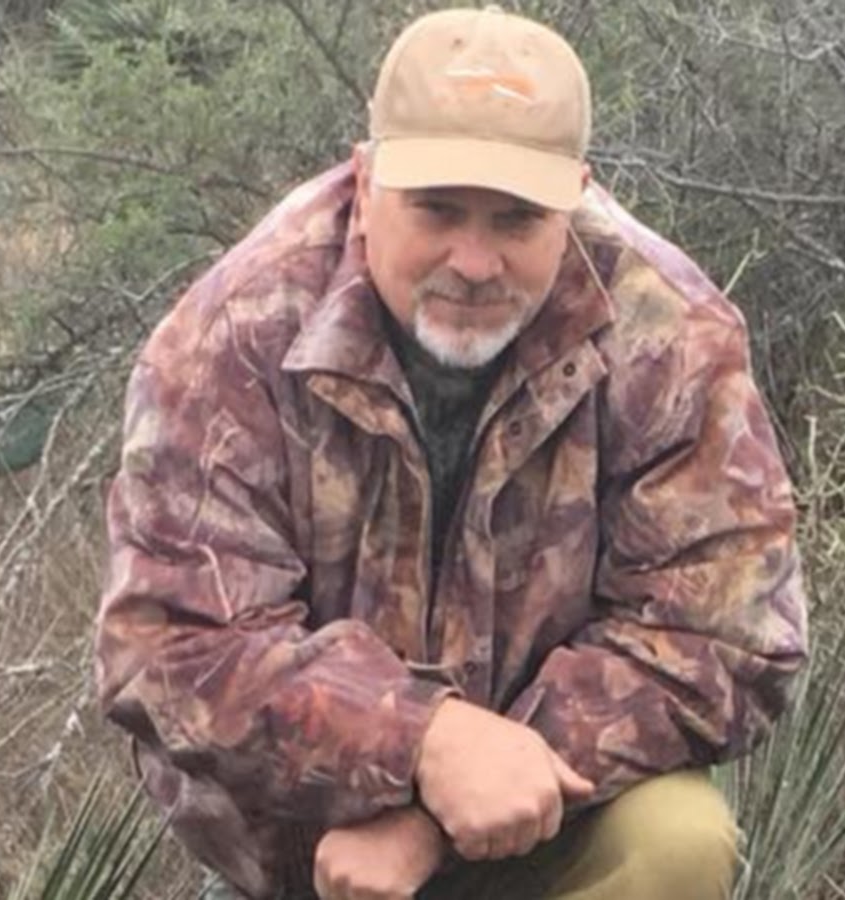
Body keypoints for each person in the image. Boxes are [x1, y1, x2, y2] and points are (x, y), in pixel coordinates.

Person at [94, 6, 808, 899]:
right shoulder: (233, 334)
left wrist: (442, 812)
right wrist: (416, 741)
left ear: (574, 198)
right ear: (367, 179)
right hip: (310, 841)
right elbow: (167, 645)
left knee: (677, 839)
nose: (473, 261)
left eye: (516, 219)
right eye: (436, 209)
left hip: (551, 808)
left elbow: (730, 637)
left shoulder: (671, 335)